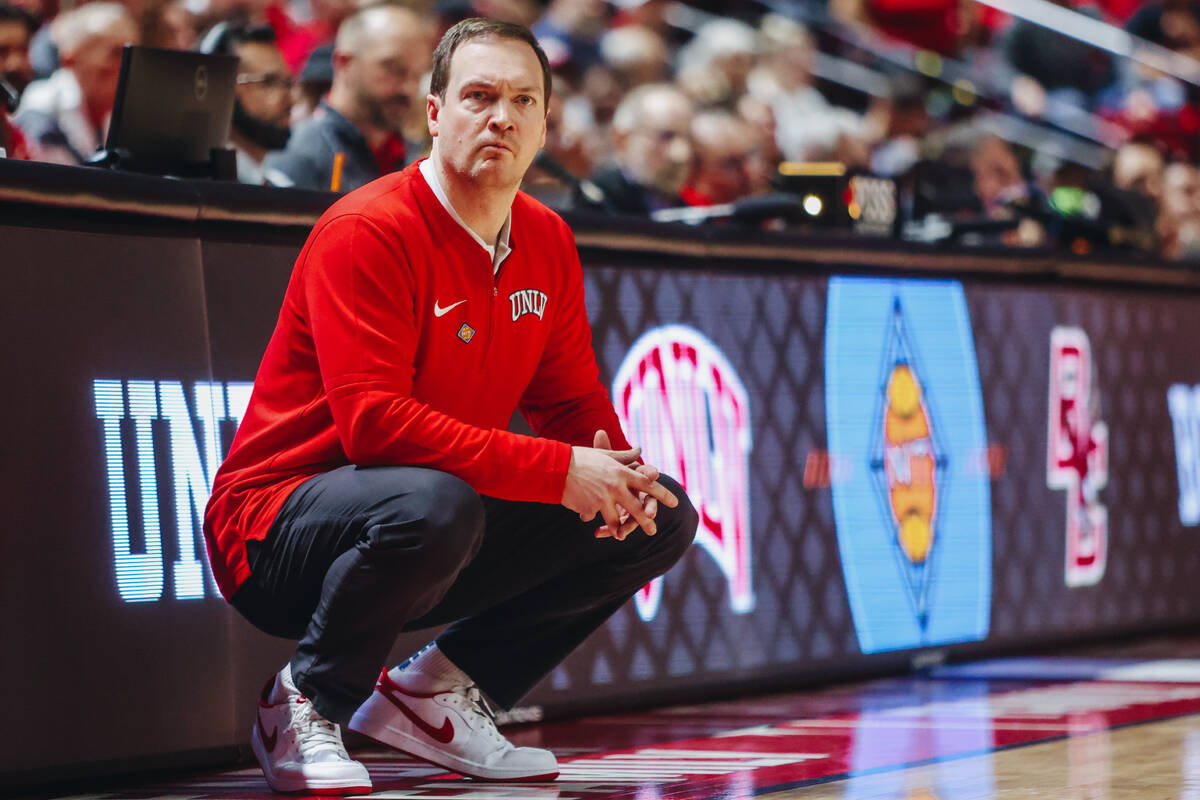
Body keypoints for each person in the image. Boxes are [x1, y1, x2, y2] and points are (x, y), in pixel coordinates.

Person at [204, 17, 697, 797]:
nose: (500, 115)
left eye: (521, 100)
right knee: (433, 502)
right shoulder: (369, 229)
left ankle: (434, 689)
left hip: (429, 509)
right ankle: (303, 701)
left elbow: (571, 403)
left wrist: (616, 478)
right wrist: (558, 468)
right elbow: (374, 425)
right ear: (435, 113)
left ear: (544, 124)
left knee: (660, 513)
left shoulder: (547, 238)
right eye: (479, 96)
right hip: (273, 528)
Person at [264, 4, 429, 191]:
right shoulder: (298, 156)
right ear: (344, 64)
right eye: (393, 69)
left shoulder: (418, 160)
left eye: (417, 75)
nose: (408, 88)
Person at [14, 2, 136, 165]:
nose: (127, 67)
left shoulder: (123, 116)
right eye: (116, 54)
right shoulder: (41, 109)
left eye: (132, 57)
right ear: (70, 59)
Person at [573, 81, 693, 214]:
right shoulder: (594, 201)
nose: (681, 154)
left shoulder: (689, 213)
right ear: (622, 140)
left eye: (688, 138)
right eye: (665, 136)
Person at [203, 23, 294, 184]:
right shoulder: (198, 189)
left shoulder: (281, 184)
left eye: (287, 82)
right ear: (221, 88)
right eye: (269, 82)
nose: (289, 98)